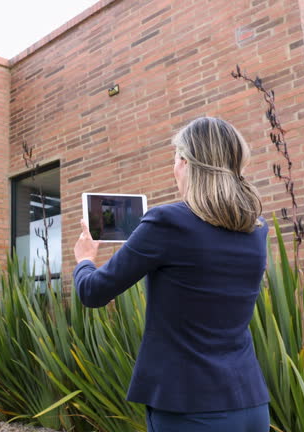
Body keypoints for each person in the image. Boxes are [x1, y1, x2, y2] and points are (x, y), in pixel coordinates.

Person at [72, 117, 270, 432]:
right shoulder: (257, 229)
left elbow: (93, 292)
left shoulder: (166, 222)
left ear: (186, 163)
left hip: (190, 408)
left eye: (175, 159)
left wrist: (84, 260)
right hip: (251, 406)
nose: (173, 168)